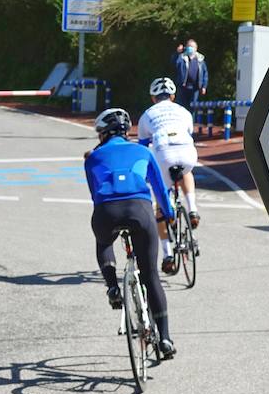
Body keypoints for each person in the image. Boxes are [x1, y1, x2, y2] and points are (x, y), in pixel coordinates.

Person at [84, 107, 177, 359]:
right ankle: (165, 338)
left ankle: (113, 287)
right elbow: (160, 189)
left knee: (103, 241)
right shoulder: (143, 152)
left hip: (107, 211)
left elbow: (95, 194)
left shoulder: (92, 157)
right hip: (140, 210)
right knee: (151, 276)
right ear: (126, 132)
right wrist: (169, 215)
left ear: (103, 134)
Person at [137, 77, 200, 275]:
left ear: (153, 98)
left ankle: (167, 255)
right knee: (186, 172)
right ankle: (192, 209)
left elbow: (142, 147)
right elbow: (190, 133)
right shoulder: (183, 111)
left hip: (163, 153)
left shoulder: (147, 114)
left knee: (160, 204)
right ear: (173, 96)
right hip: (186, 151)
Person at [173, 38, 208, 110]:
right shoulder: (182, 57)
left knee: (193, 107)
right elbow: (174, 63)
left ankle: (191, 120)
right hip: (183, 87)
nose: (190, 48)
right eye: (188, 46)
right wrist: (178, 53)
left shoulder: (200, 59)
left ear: (196, 48)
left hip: (195, 88)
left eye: (192, 46)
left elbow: (205, 74)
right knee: (181, 107)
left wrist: (204, 86)